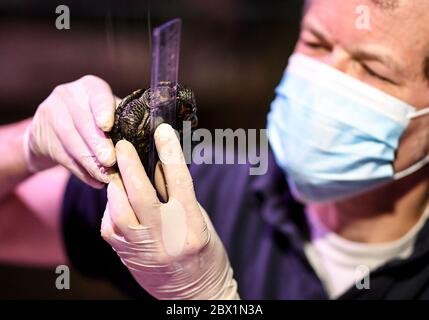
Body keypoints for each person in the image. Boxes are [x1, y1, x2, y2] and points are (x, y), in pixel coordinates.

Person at [1, 0, 429, 299]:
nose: (327, 81)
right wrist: (28, 146)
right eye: (316, 44)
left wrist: (209, 298)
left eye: (374, 71)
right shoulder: (193, 191)